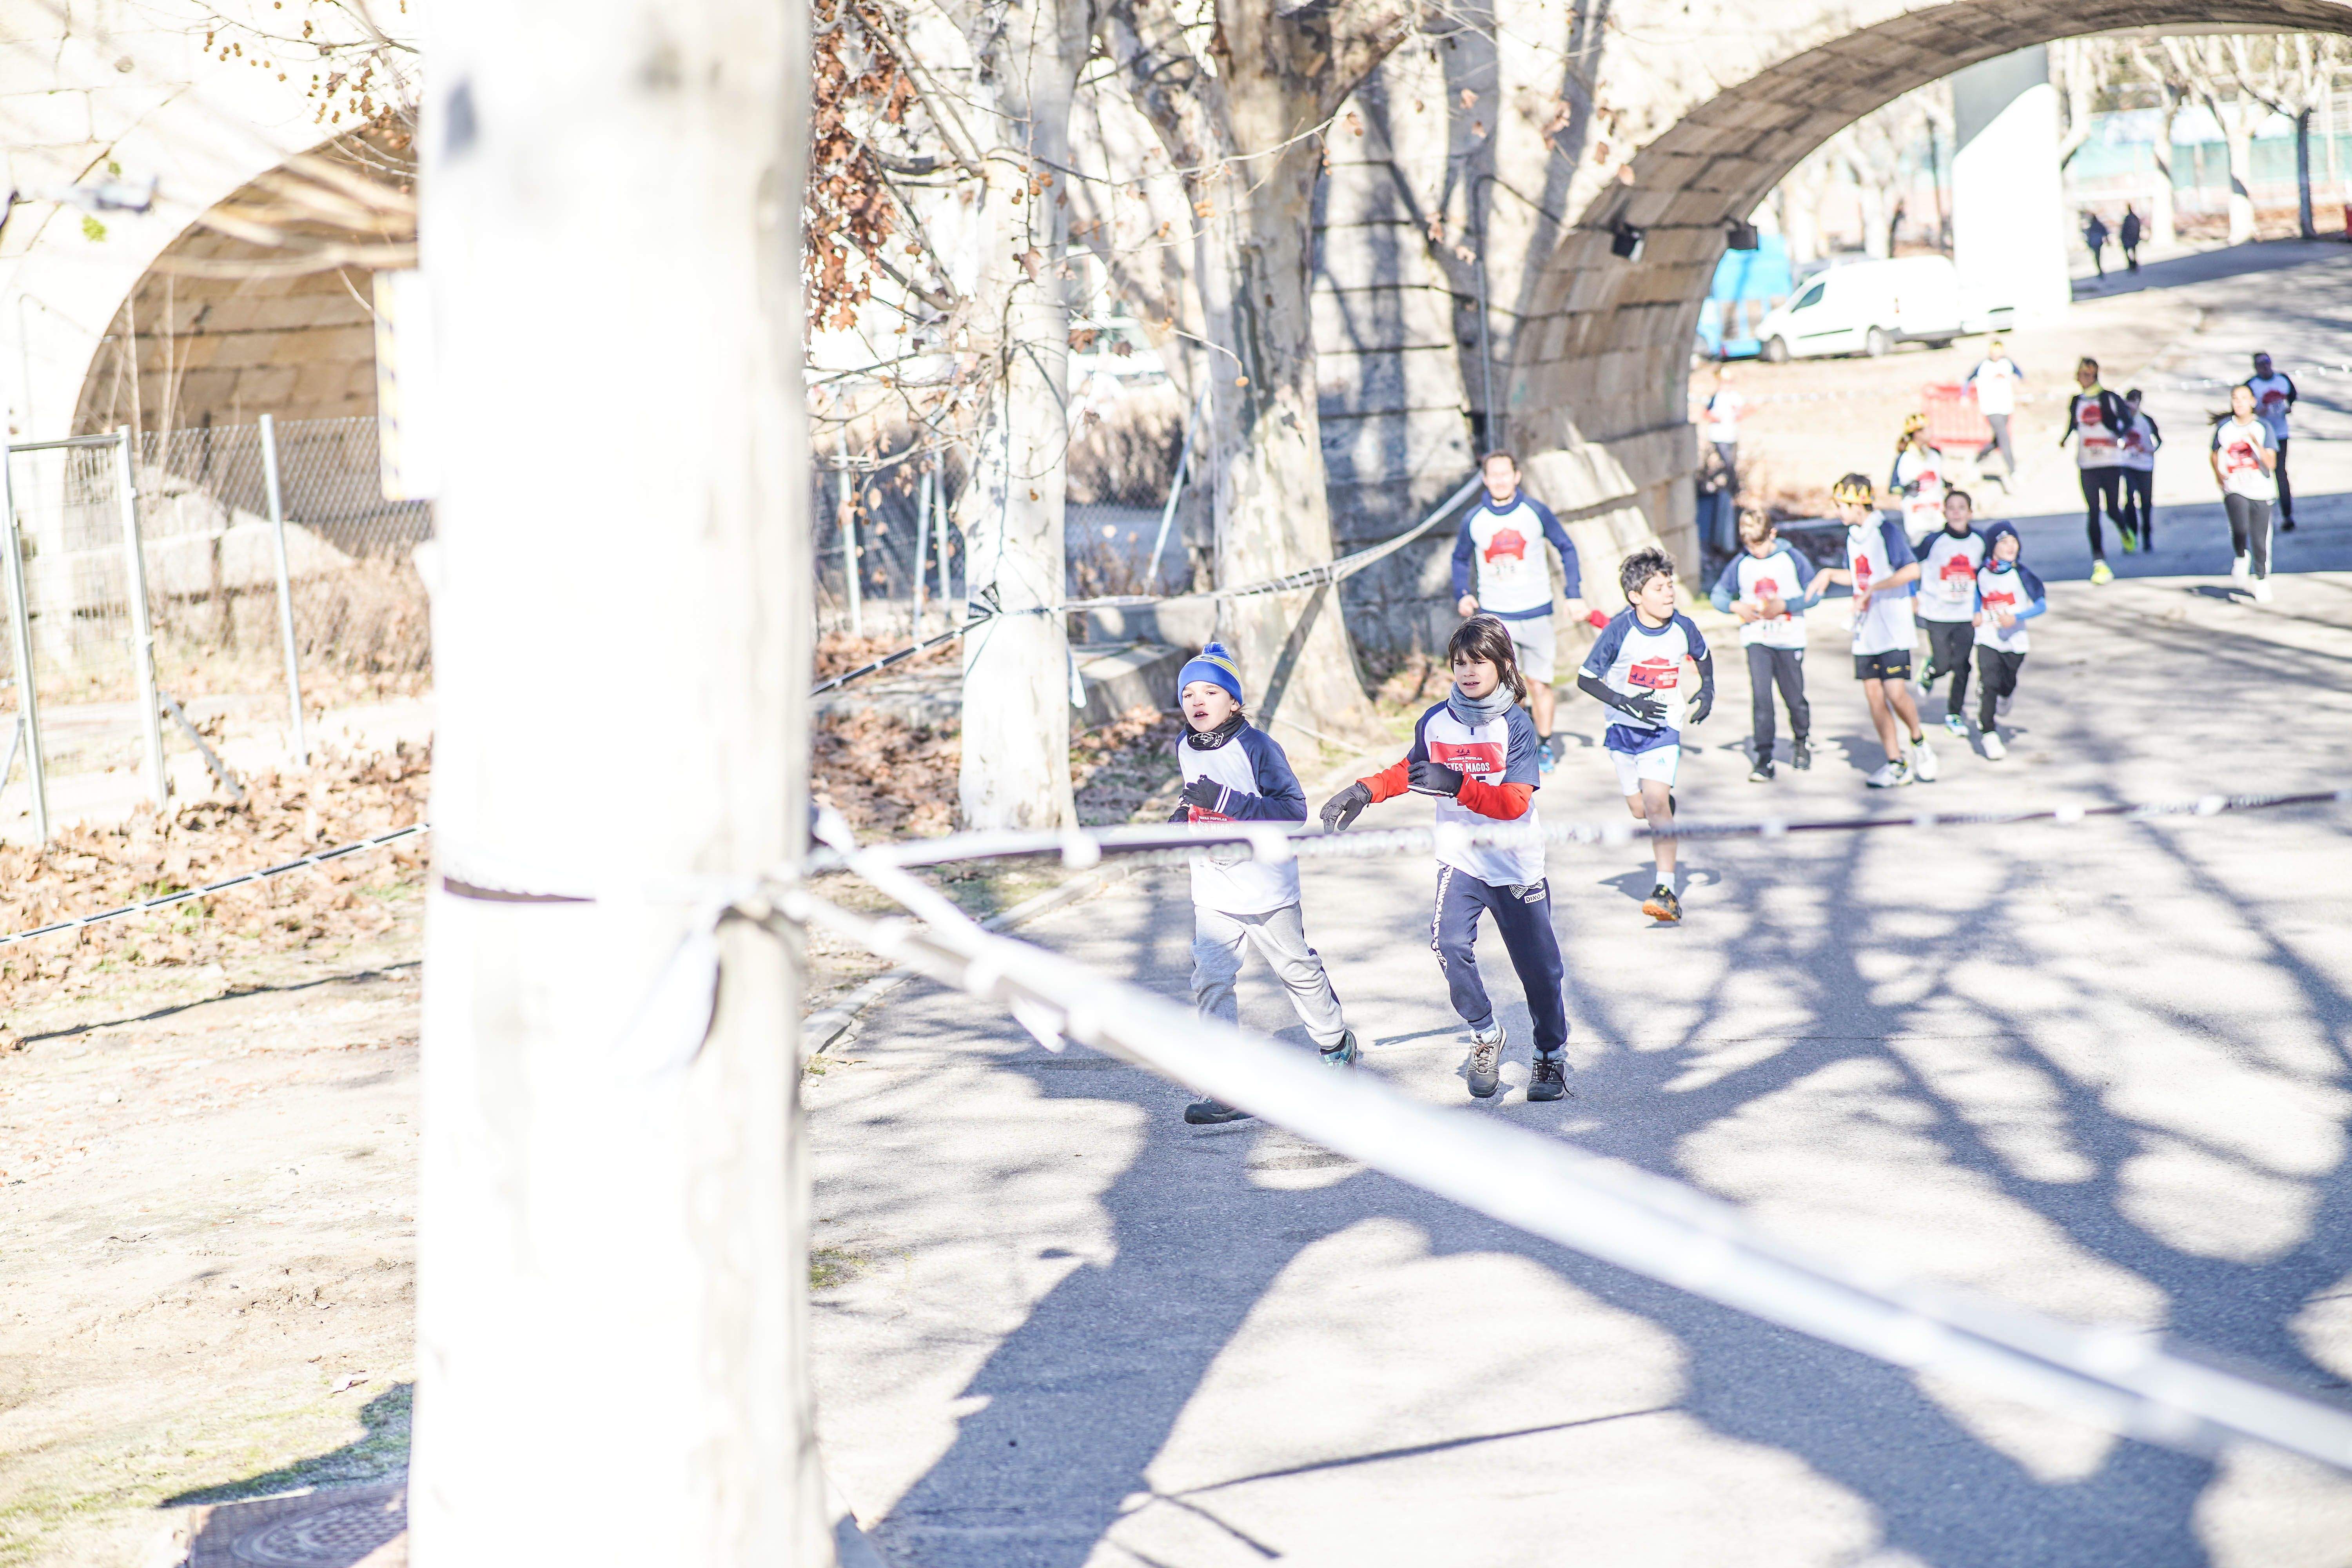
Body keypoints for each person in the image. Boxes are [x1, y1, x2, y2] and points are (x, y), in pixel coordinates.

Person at [1318, 617, 1570, 1103]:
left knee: (1541, 972)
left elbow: (1515, 802)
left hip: (1515, 865)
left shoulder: (1516, 724)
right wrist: (1365, 790)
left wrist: (1458, 784)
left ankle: (1550, 1055)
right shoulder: (1435, 721)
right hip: (1461, 860)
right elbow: (1412, 771)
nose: (1469, 672)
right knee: (1448, 944)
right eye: (1460, 663)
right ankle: (1484, 1033)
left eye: (1479, 662)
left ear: (1504, 665)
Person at [1169, 643, 1361, 1125]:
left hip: (1266, 887)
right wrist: (1179, 817)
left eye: (1210, 691)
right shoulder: (1184, 745)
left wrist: (1228, 800)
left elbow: (1292, 810)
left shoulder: (1257, 746)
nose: (1198, 701)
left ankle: (1335, 1043)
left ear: (1234, 701)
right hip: (1212, 887)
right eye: (1189, 693)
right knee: (1211, 979)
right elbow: (1197, 795)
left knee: (1295, 969)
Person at [1577, 548, 1714, 920]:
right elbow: (1586, 679)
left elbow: (1703, 655)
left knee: (1654, 803)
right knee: (1641, 810)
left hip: (1664, 727)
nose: (1669, 593)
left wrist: (1708, 688)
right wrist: (1627, 704)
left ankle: (1666, 889)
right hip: (1623, 730)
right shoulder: (1618, 631)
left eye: (1670, 585)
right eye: (1659, 588)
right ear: (1636, 596)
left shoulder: (1683, 627)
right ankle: (1663, 807)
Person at [1451, 450, 1596, 773]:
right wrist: (1463, 594)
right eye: (1493, 475)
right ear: (1485, 480)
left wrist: (1573, 595)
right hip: (1496, 618)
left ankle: (1544, 745)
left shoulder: (1535, 512)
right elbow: (1460, 559)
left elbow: (1567, 547)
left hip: (1537, 612)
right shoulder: (1474, 519)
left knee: (1540, 684)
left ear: (1517, 476)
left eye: (1506, 474)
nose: (1500, 480)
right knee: (1507, 688)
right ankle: (1516, 746)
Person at [1805, 473, 1937, 788]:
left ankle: (1919, 742)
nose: (1838, 511)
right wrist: (1828, 574)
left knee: (1895, 692)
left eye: (1841, 505)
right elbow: (1861, 575)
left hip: (1892, 625)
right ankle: (1896, 763)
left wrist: (1874, 589)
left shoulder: (1885, 531)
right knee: (1874, 696)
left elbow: (1911, 569)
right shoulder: (1854, 536)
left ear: (1857, 503)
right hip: (1866, 629)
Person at [1708, 509, 1818, 782]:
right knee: (1762, 698)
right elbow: (1718, 595)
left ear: (1773, 534)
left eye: (1759, 543)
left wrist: (1788, 605)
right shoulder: (1741, 564)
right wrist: (1735, 606)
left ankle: (1802, 741)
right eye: (1748, 545)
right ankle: (1764, 757)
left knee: (1794, 698)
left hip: (1789, 637)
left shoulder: (1791, 559)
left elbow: (1815, 593)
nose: (1754, 551)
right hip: (1757, 638)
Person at [1969, 522, 2046, 762]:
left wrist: (2016, 618)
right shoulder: (1981, 573)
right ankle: (1989, 732)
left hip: (2015, 641)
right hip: (1988, 637)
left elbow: (2042, 605)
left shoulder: (2022, 575)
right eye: (2004, 542)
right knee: (1988, 682)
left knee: (2006, 682)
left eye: (2013, 541)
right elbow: (1977, 594)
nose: (2010, 546)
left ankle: (2006, 694)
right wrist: (1976, 613)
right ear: (1992, 547)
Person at [1913, 486, 1986, 737]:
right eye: (1951, 508)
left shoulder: (1980, 542)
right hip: (1937, 612)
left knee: (1963, 665)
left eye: (1961, 508)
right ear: (1944, 512)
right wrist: (1914, 596)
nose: (1956, 513)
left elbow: (1987, 575)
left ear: (1970, 513)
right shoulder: (1933, 541)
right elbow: (1912, 567)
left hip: (1967, 614)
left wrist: (1984, 607)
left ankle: (1954, 714)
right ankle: (1932, 669)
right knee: (1944, 662)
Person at [2060, 357, 2131, 583]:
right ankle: (2099, 563)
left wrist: (2118, 434)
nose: (2084, 379)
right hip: (2087, 463)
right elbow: (2073, 423)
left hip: (2110, 462)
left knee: (2112, 509)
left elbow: (2127, 421)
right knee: (2093, 512)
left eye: (2088, 374)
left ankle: (2124, 530)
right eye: (2081, 374)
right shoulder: (2077, 401)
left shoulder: (2109, 398)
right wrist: (2064, 439)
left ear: (2095, 375)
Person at [2212, 383, 2281, 604]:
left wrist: (2256, 444)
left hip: (2261, 490)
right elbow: (2214, 453)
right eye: (2235, 399)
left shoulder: (2263, 428)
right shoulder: (2225, 429)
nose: (2239, 403)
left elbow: (2270, 463)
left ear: (2253, 402)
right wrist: (2219, 476)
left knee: (2260, 540)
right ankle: (2241, 556)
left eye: (2243, 398)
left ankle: (2261, 580)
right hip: (2235, 487)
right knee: (2240, 528)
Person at [2246, 352, 2297, 532]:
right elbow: (2245, 410)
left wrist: (2286, 407)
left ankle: (2287, 515)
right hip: (2261, 435)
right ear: (2256, 367)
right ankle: (2261, 518)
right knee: (2260, 474)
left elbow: (2292, 399)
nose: (2265, 367)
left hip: (2281, 433)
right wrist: (2259, 411)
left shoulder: (2283, 380)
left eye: (2267, 363)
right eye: (2260, 364)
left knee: (2280, 473)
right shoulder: (2252, 385)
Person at [1965, 339, 2025, 487]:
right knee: (2004, 438)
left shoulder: (2007, 363)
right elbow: (1967, 380)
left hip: (2006, 406)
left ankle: (1977, 459)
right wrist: (1964, 396)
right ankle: (2013, 472)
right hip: (1991, 408)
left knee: (1998, 440)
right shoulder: (1984, 365)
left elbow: (2020, 374)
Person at [1889, 412, 1947, 540]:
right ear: (1917, 433)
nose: (1931, 432)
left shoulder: (1935, 455)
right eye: (1927, 429)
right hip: (1917, 520)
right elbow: (1893, 488)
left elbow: (1939, 479)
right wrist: (1907, 488)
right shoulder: (1905, 458)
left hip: (1937, 517)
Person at [2118, 388, 2162, 552]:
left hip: (2145, 466)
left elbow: (2159, 441)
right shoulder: (2123, 421)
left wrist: (2150, 450)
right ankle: (2132, 535)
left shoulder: (2147, 420)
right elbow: (2116, 437)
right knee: (2129, 500)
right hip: (2128, 464)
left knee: (2146, 503)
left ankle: (2147, 537)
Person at [2083, 211, 2110, 279]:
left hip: (2095, 244)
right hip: (2097, 244)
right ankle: (2100, 270)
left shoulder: (2092, 226)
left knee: (2097, 257)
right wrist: (2108, 241)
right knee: (2097, 257)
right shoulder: (2097, 225)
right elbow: (2105, 232)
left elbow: (2089, 236)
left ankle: (2100, 270)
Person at [2120, 205, 2143, 271]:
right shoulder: (2134, 218)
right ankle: (2133, 265)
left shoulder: (2128, 219)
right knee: (2133, 252)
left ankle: (2132, 265)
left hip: (2129, 239)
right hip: (2133, 238)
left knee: (2129, 252)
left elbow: (2124, 230)